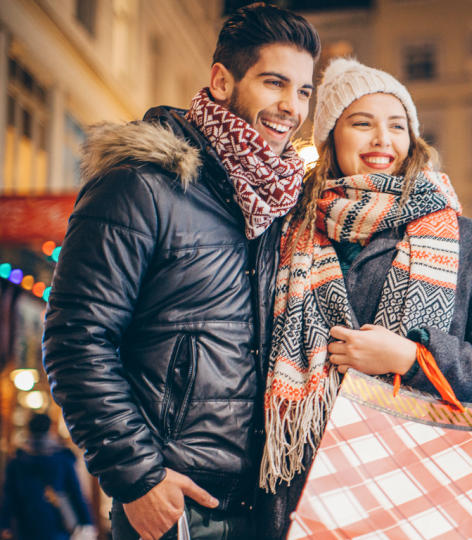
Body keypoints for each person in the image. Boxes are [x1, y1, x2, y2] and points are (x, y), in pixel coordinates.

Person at [41, 4, 319, 539]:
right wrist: (137, 478)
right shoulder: (141, 186)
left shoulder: (276, 203)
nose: (291, 106)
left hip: (265, 506)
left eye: (304, 91)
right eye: (274, 83)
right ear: (221, 80)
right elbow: (77, 338)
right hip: (176, 504)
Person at [257, 58, 472, 538]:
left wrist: (412, 357)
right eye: (362, 123)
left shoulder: (464, 241)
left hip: (417, 490)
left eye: (397, 125)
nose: (382, 140)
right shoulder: (287, 237)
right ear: (330, 138)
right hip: (304, 495)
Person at [0, 414, 93, 540]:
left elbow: (9, 496)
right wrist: (87, 522)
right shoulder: (62, 459)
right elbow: (75, 491)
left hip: (26, 523)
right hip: (58, 520)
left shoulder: (17, 461)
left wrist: (4, 524)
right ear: (50, 429)